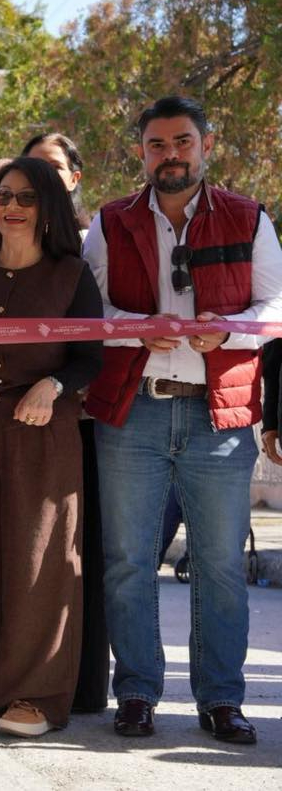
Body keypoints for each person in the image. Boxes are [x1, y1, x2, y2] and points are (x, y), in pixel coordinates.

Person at [84, 95, 282, 745]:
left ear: (205, 144)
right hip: (132, 409)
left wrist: (225, 332)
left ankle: (221, 700)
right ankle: (137, 693)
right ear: (141, 153)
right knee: (127, 562)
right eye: (157, 145)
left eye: (182, 142)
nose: (170, 155)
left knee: (222, 565)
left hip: (217, 416)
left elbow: (275, 303)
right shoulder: (110, 222)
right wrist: (148, 329)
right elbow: (93, 309)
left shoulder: (248, 217)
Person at [0, 156, 103, 737]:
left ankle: (34, 695)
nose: (11, 207)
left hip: (42, 428)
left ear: (48, 205)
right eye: (3, 195)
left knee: (42, 558)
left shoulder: (72, 274)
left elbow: (90, 356)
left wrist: (53, 386)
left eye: (26, 197)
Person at [20, 132, 108, 714]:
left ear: (75, 177)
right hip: (26, 419)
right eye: (33, 174)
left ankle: (83, 686)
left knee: (88, 550)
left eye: (55, 170)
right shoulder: (5, 242)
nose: (45, 182)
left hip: (95, 411)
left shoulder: (95, 240)